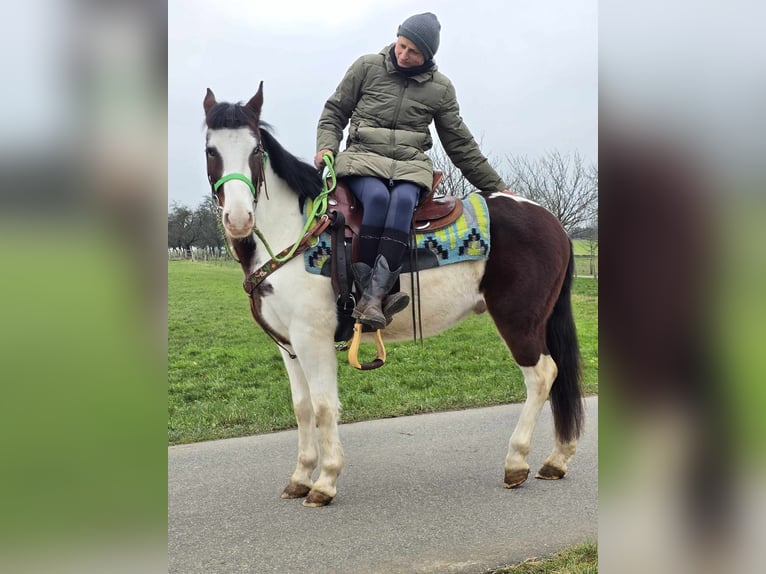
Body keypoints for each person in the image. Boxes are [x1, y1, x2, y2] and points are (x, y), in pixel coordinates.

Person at [315, 12, 509, 330]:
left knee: (403, 202)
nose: (404, 55)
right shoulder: (366, 67)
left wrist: (497, 188)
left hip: (410, 167)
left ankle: (374, 297)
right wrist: (327, 146)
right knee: (377, 198)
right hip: (363, 158)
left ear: (427, 56)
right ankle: (370, 293)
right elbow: (335, 111)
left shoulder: (441, 89)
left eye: (413, 51)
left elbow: (460, 143)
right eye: (402, 45)